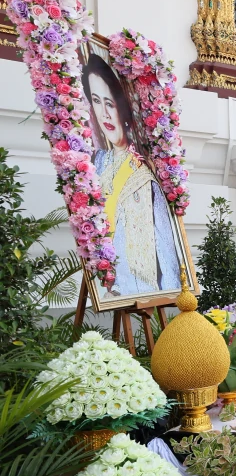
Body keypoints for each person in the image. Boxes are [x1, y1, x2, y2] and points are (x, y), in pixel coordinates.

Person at [83, 52, 181, 297]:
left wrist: (171, 296)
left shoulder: (145, 169)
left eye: (110, 102)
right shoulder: (97, 163)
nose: (104, 113)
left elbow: (165, 244)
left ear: (122, 107)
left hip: (141, 290)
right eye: (96, 101)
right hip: (107, 290)